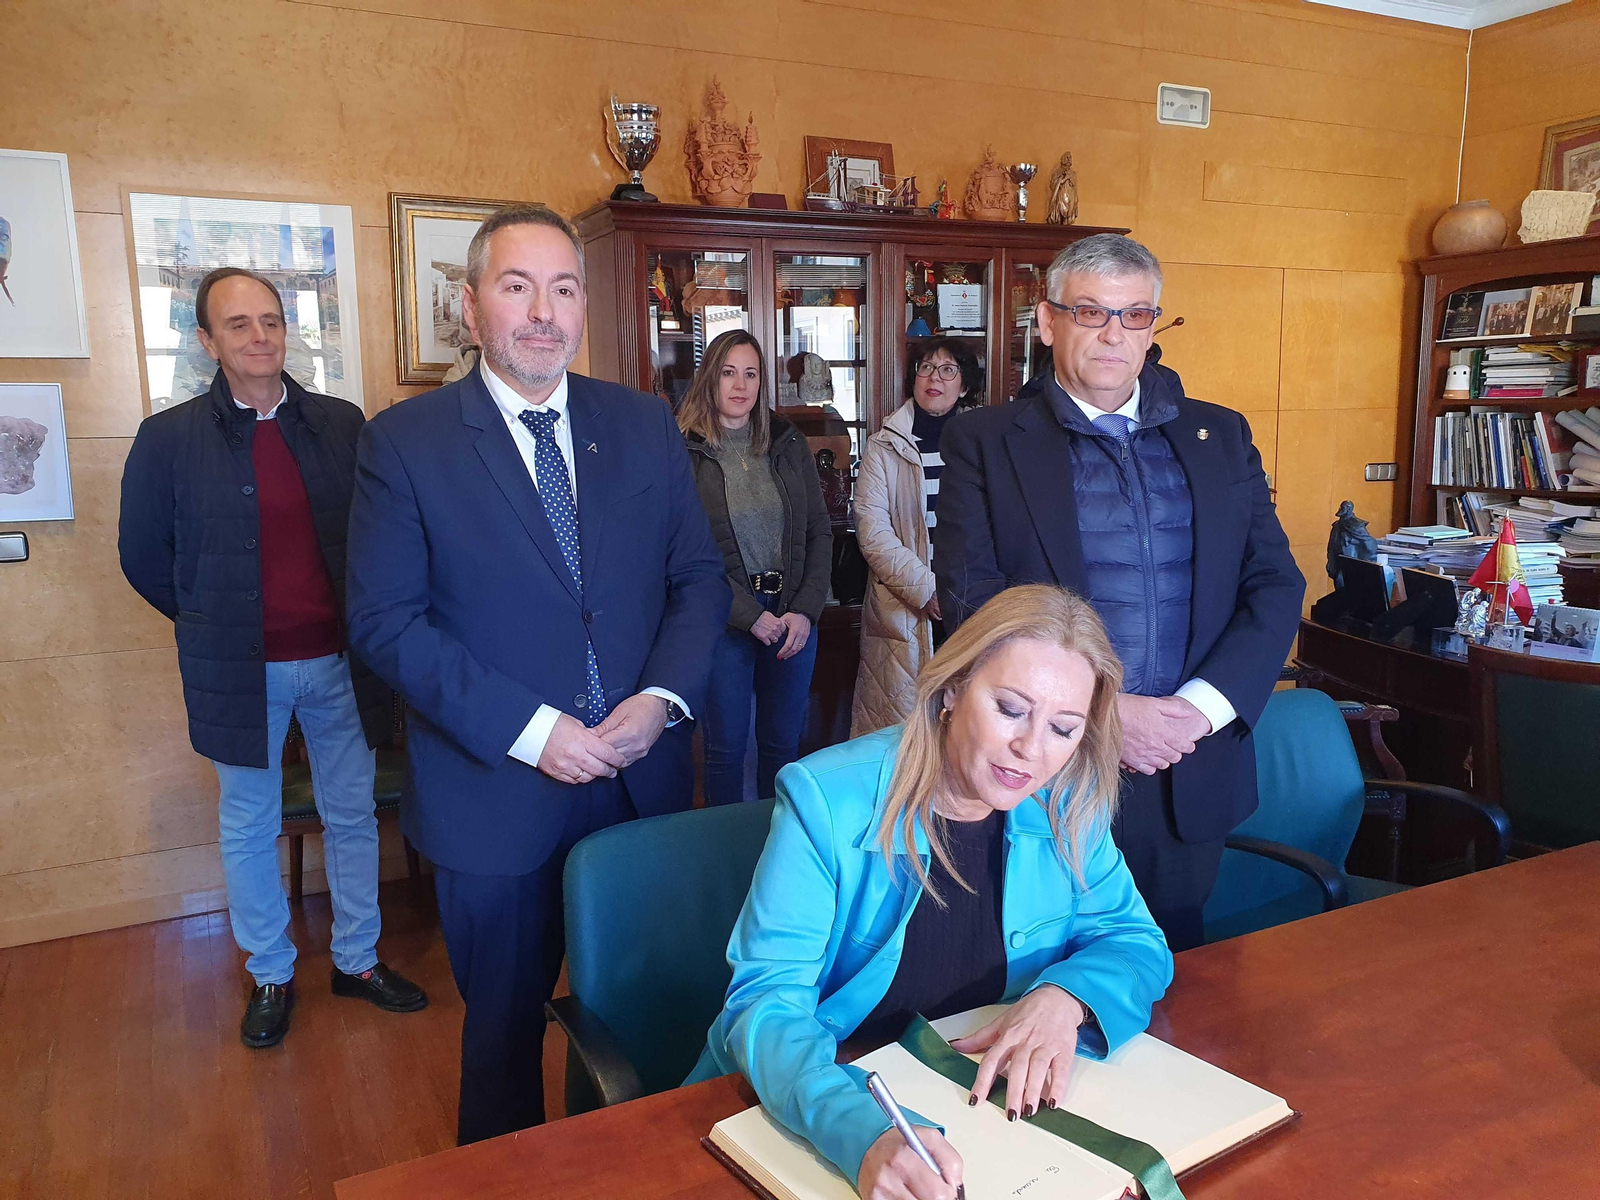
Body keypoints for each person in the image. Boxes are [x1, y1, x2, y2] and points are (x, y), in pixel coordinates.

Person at [344, 204, 730, 1143]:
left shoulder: (639, 425)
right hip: (497, 795)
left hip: (639, 781)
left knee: (654, 1017)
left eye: (563, 288)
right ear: (471, 310)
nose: (544, 311)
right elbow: (385, 622)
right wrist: (535, 732)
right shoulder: (407, 443)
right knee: (504, 1041)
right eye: (518, 287)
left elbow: (698, 579)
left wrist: (661, 699)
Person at [688, 585, 1172, 1200]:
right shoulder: (824, 799)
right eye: (1010, 708)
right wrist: (860, 1132)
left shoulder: (1067, 804)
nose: (1031, 750)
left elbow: (1134, 941)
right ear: (952, 689)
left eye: (1064, 728)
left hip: (978, 1108)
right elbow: (765, 1004)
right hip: (815, 1098)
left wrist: (1065, 998)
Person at [934, 234, 1305, 952]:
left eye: (1135, 315)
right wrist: (1108, 714)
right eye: (1092, 313)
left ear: (1154, 325)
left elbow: (1274, 583)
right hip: (1045, 770)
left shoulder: (1220, 436)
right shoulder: (984, 441)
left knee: (1173, 983)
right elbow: (973, 605)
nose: (1114, 334)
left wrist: (1196, 714)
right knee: (1031, 975)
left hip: (1185, 771)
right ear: (1047, 323)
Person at [119, 267, 427, 1051]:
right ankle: (271, 972)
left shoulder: (339, 423)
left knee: (353, 816)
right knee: (249, 825)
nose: (259, 337)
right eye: (238, 325)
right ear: (206, 341)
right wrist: (210, 624)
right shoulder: (169, 439)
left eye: (271, 321)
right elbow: (143, 556)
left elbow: (377, 538)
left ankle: (357, 960)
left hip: (338, 663)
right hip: (237, 673)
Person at [681, 330, 832, 805]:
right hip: (726, 620)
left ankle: (778, 858)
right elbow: (686, 555)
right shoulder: (685, 450)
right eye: (728, 372)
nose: (739, 385)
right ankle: (728, 862)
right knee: (725, 752)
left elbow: (819, 532)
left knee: (783, 749)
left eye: (750, 374)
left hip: (791, 616)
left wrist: (804, 611)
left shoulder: (786, 443)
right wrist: (750, 616)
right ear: (709, 379)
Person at [851, 337, 983, 736]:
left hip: (974, 604)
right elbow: (872, 531)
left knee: (967, 730)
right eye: (925, 367)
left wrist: (967, 591)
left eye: (947, 369)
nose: (934, 378)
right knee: (903, 734)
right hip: (904, 609)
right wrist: (927, 589)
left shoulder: (984, 443)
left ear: (964, 385)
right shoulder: (884, 445)